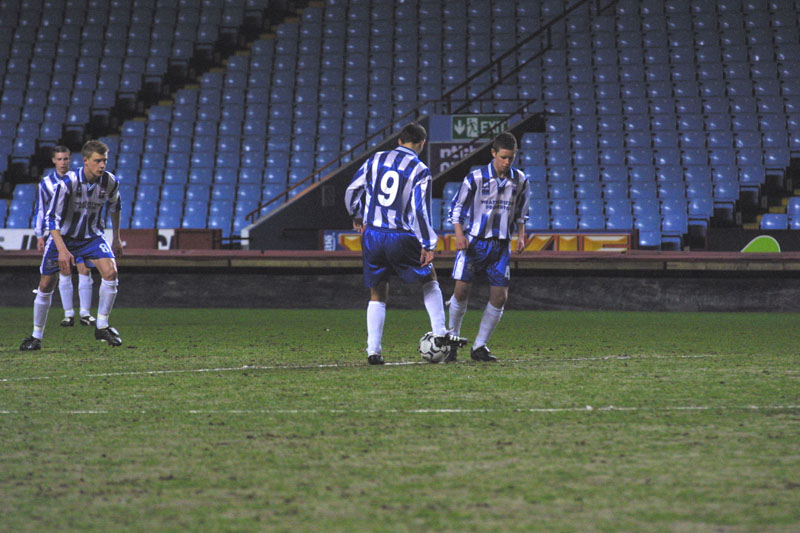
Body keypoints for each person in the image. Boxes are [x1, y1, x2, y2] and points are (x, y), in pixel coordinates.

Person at [345, 122, 466, 365]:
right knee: (429, 277)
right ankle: (441, 333)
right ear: (422, 144)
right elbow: (420, 209)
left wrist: (356, 214)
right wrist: (428, 242)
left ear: (399, 141)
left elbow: (352, 189)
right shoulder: (420, 169)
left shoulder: (376, 159)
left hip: (373, 234)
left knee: (377, 291)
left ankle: (373, 351)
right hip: (401, 234)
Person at [20, 140, 124, 350]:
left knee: (111, 273)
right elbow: (52, 219)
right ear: (85, 161)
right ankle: (35, 336)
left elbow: (116, 206)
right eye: (97, 161)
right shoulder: (68, 183)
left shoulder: (110, 181)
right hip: (63, 238)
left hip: (92, 237)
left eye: (104, 160)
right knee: (46, 285)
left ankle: (102, 325)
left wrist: (116, 238)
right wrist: (62, 250)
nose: (102, 165)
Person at [446, 131, 530, 362]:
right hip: (474, 243)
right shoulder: (475, 178)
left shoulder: (520, 180)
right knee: (461, 292)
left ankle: (479, 346)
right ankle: (451, 342)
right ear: (493, 153)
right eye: (503, 157)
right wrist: (459, 234)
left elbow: (522, 212)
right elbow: (456, 208)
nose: (507, 162)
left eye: (511, 158)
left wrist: (521, 236)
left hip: (500, 246)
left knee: (500, 296)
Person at [34, 145, 97, 328]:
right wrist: (39, 235)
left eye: (66, 159)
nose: (63, 162)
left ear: (70, 159)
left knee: (84, 269)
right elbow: (42, 210)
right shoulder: (46, 184)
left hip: (79, 233)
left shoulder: (79, 180)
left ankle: (85, 313)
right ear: (54, 161)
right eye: (59, 159)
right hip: (59, 235)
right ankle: (68, 314)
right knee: (65, 270)